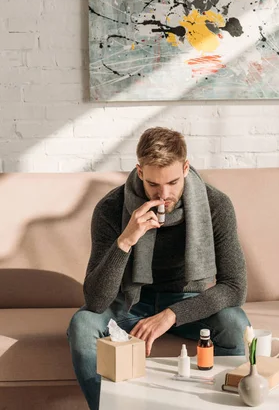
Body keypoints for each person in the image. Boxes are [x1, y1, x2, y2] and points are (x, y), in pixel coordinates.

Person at [67, 127, 250, 410]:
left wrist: (172, 315)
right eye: (153, 184)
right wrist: (126, 240)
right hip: (129, 303)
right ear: (139, 172)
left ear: (186, 168)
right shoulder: (111, 208)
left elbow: (235, 288)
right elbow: (96, 300)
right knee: (82, 325)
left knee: (235, 323)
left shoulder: (216, 205)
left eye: (173, 182)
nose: (163, 195)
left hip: (187, 301)